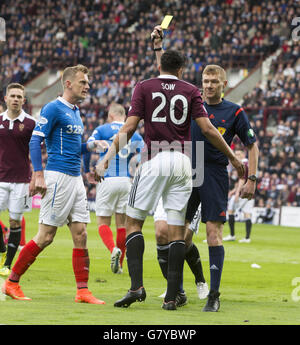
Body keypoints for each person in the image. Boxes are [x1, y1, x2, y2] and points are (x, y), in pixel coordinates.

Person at [95, 49, 245, 310]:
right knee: (178, 231)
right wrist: (232, 156)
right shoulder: (190, 90)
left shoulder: (144, 87)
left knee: (133, 223)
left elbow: (129, 128)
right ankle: (171, 297)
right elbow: (208, 129)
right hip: (183, 163)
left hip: (156, 158)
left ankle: (136, 288)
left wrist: (107, 156)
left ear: (159, 65)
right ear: (182, 70)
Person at [151, 26, 259, 312]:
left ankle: (213, 294)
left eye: (214, 81)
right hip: (186, 171)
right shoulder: (191, 100)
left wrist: (252, 178)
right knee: (175, 235)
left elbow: (253, 146)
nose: (209, 85)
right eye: (205, 81)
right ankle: (179, 289)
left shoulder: (234, 112)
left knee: (213, 233)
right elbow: (166, 81)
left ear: (224, 83)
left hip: (213, 174)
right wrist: (158, 49)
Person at [2, 65, 105, 304]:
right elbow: (35, 140)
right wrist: (38, 174)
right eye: (83, 82)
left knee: (80, 234)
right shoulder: (53, 108)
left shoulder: (76, 111)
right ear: (68, 84)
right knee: (46, 236)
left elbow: (73, 148)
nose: (87, 86)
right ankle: (12, 282)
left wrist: (89, 147)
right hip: (57, 177)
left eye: (87, 82)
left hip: (75, 178)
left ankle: (82, 291)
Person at [83, 103, 144, 274]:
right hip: (126, 180)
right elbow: (145, 152)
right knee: (121, 225)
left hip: (107, 178)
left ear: (110, 116)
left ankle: (113, 250)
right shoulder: (134, 133)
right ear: (123, 116)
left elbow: (89, 144)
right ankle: (121, 266)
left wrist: (89, 168)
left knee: (103, 222)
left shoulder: (102, 129)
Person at [0, 83, 35, 277]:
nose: (15, 99)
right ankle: (2, 250)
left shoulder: (31, 123)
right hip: (0, 178)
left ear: (24, 100)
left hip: (21, 180)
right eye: (12, 96)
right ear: (6, 99)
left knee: (15, 222)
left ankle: (7, 264)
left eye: (19, 97)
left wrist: (37, 175)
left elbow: (38, 149)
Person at [225, 149, 255, 243]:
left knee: (230, 210)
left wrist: (237, 193)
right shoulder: (248, 164)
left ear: (243, 154)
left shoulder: (242, 164)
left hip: (242, 192)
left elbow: (242, 180)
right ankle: (247, 238)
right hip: (249, 192)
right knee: (247, 213)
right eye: (235, 154)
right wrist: (233, 191)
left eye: (238, 154)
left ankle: (232, 235)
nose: (236, 155)